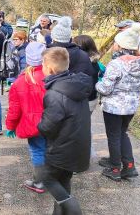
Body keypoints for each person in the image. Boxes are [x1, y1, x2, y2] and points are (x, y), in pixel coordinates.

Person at [38, 47, 92, 215]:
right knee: (64, 178)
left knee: (45, 176)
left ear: (50, 69)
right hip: (78, 144)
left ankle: (72, 208)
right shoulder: (76, 85)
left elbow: (48, 126)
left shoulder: (54, 94)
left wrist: (39, 126)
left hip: (62, 147)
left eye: (43, 65)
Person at [96, 23, 140, 181]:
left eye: (115, 42)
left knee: (113, 136)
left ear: (120, 45)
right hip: (131, 105)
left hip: (114, 107)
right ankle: (129, 166)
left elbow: (105, 89)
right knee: (122, 134)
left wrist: (96, 84)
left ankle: (114, 168)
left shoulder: (116, 64)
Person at [5, 42, 47, 194]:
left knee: (37, 151)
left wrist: (10, 126)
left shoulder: (20, 82)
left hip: (32, 125)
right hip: (52, 122)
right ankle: (51, 178)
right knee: (50, 148)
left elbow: (14, 109)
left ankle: (39, 182)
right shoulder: (51, 75)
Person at [47, 16, 97, 97]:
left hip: (54, 97)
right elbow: (89, 78)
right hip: (77, 98)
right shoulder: (83, 55)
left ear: (52, 37)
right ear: (70, 38)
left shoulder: (49, 54)